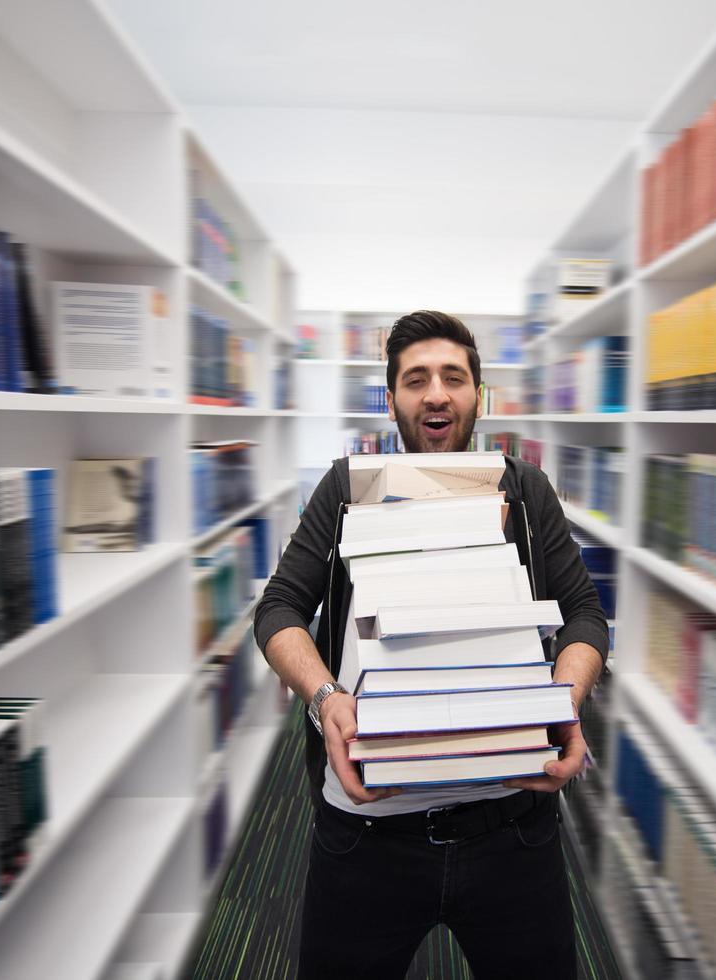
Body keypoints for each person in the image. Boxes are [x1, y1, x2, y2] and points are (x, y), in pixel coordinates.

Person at [254, 310, 608, 979]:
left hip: (511, 826)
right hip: (367, 833)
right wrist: (325, 694)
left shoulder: (526, 492)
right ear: (391, 401)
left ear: (478, 396)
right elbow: (278, 609)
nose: (436, 393)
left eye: (453, 376)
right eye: (415, 380)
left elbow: (584, 616)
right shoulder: (345, 488)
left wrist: (566, 695)